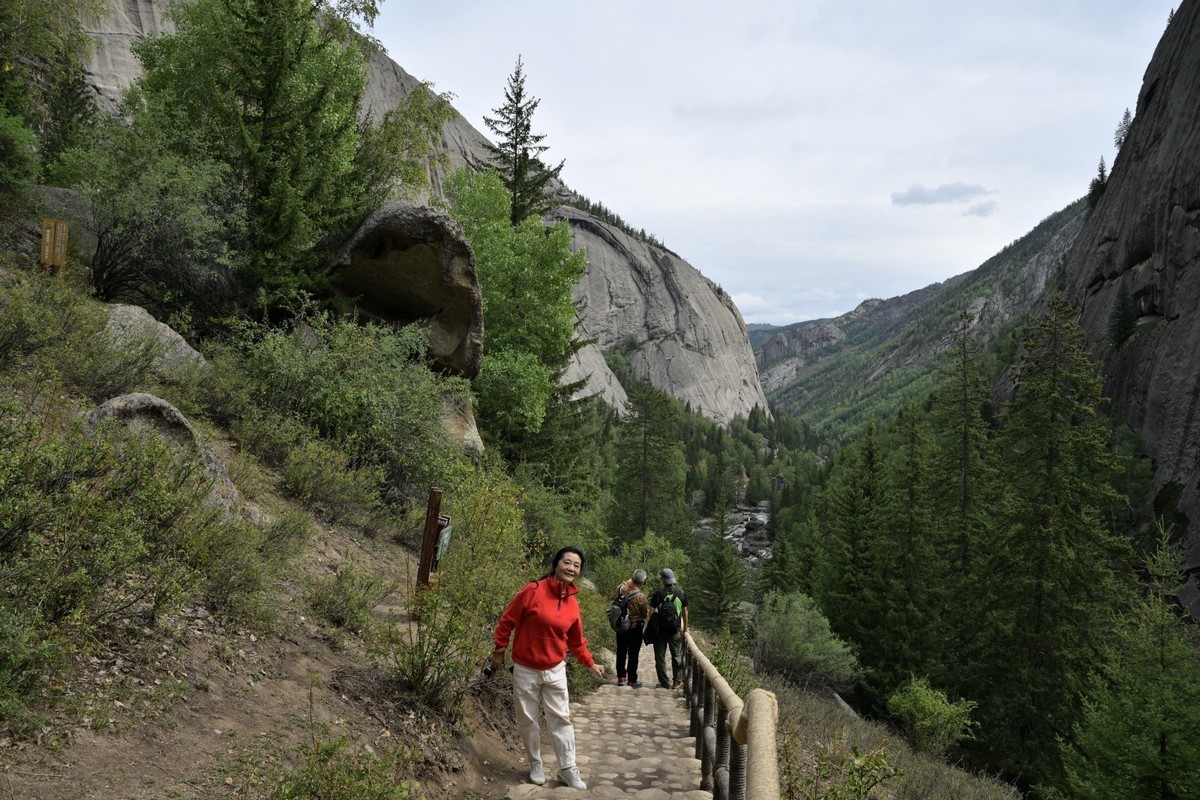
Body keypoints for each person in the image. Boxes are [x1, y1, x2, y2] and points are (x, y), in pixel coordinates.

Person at [490, 546, 605, 790]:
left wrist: (590, 663)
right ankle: (535, 763)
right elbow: (506, 621)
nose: (571, 568)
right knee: (528, 719)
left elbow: (576, 641)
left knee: (561, 719)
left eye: (577, 565)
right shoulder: (532, 591)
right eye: (567, 562)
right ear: (556, 564)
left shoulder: (573, 603)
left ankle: (567, 768)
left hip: (555, 668)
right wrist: (499, 651)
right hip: (525, 668)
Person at [648, 567, 689, 690]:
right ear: (672, 580)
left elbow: (651, 613)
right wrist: (685, 629)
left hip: (660, 631)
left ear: (663, 580)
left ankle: (664, 682)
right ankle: (677, 682)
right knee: (676, 655)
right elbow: (685, 613)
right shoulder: (680, 594)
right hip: (674, 630)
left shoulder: (657, 594)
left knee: (660, 657)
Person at [614, 569, 651, 688]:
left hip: (621, 626)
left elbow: (624, 584)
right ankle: (632, 680)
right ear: (643, 582)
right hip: (635, 627)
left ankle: (621, 677)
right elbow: (645, 614)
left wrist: (631, 579)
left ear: (632, 578)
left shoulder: (621, 589)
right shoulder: (641, 597)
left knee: (621, 651)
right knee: (633, 654)